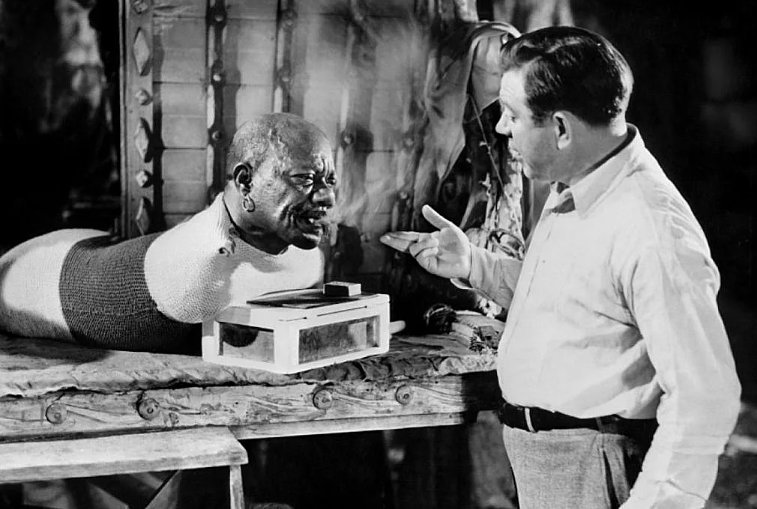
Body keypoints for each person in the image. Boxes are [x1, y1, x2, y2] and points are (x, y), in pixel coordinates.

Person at [381, 26, 741, 508]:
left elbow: (704, 399)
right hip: (552, 463)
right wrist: (476, 265)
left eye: (512, 115)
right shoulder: (577, 183)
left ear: (562, 129)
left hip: (591, 467)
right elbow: (576, 305)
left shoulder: (650, 228)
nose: (501, 128)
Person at [0, 112, 335, 352]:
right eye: (305, 179)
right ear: (245, 181)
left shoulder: (298, 255)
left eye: (329, 180)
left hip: (89, 247)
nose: (327, 198)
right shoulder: (204, 272)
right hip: (32, 279)